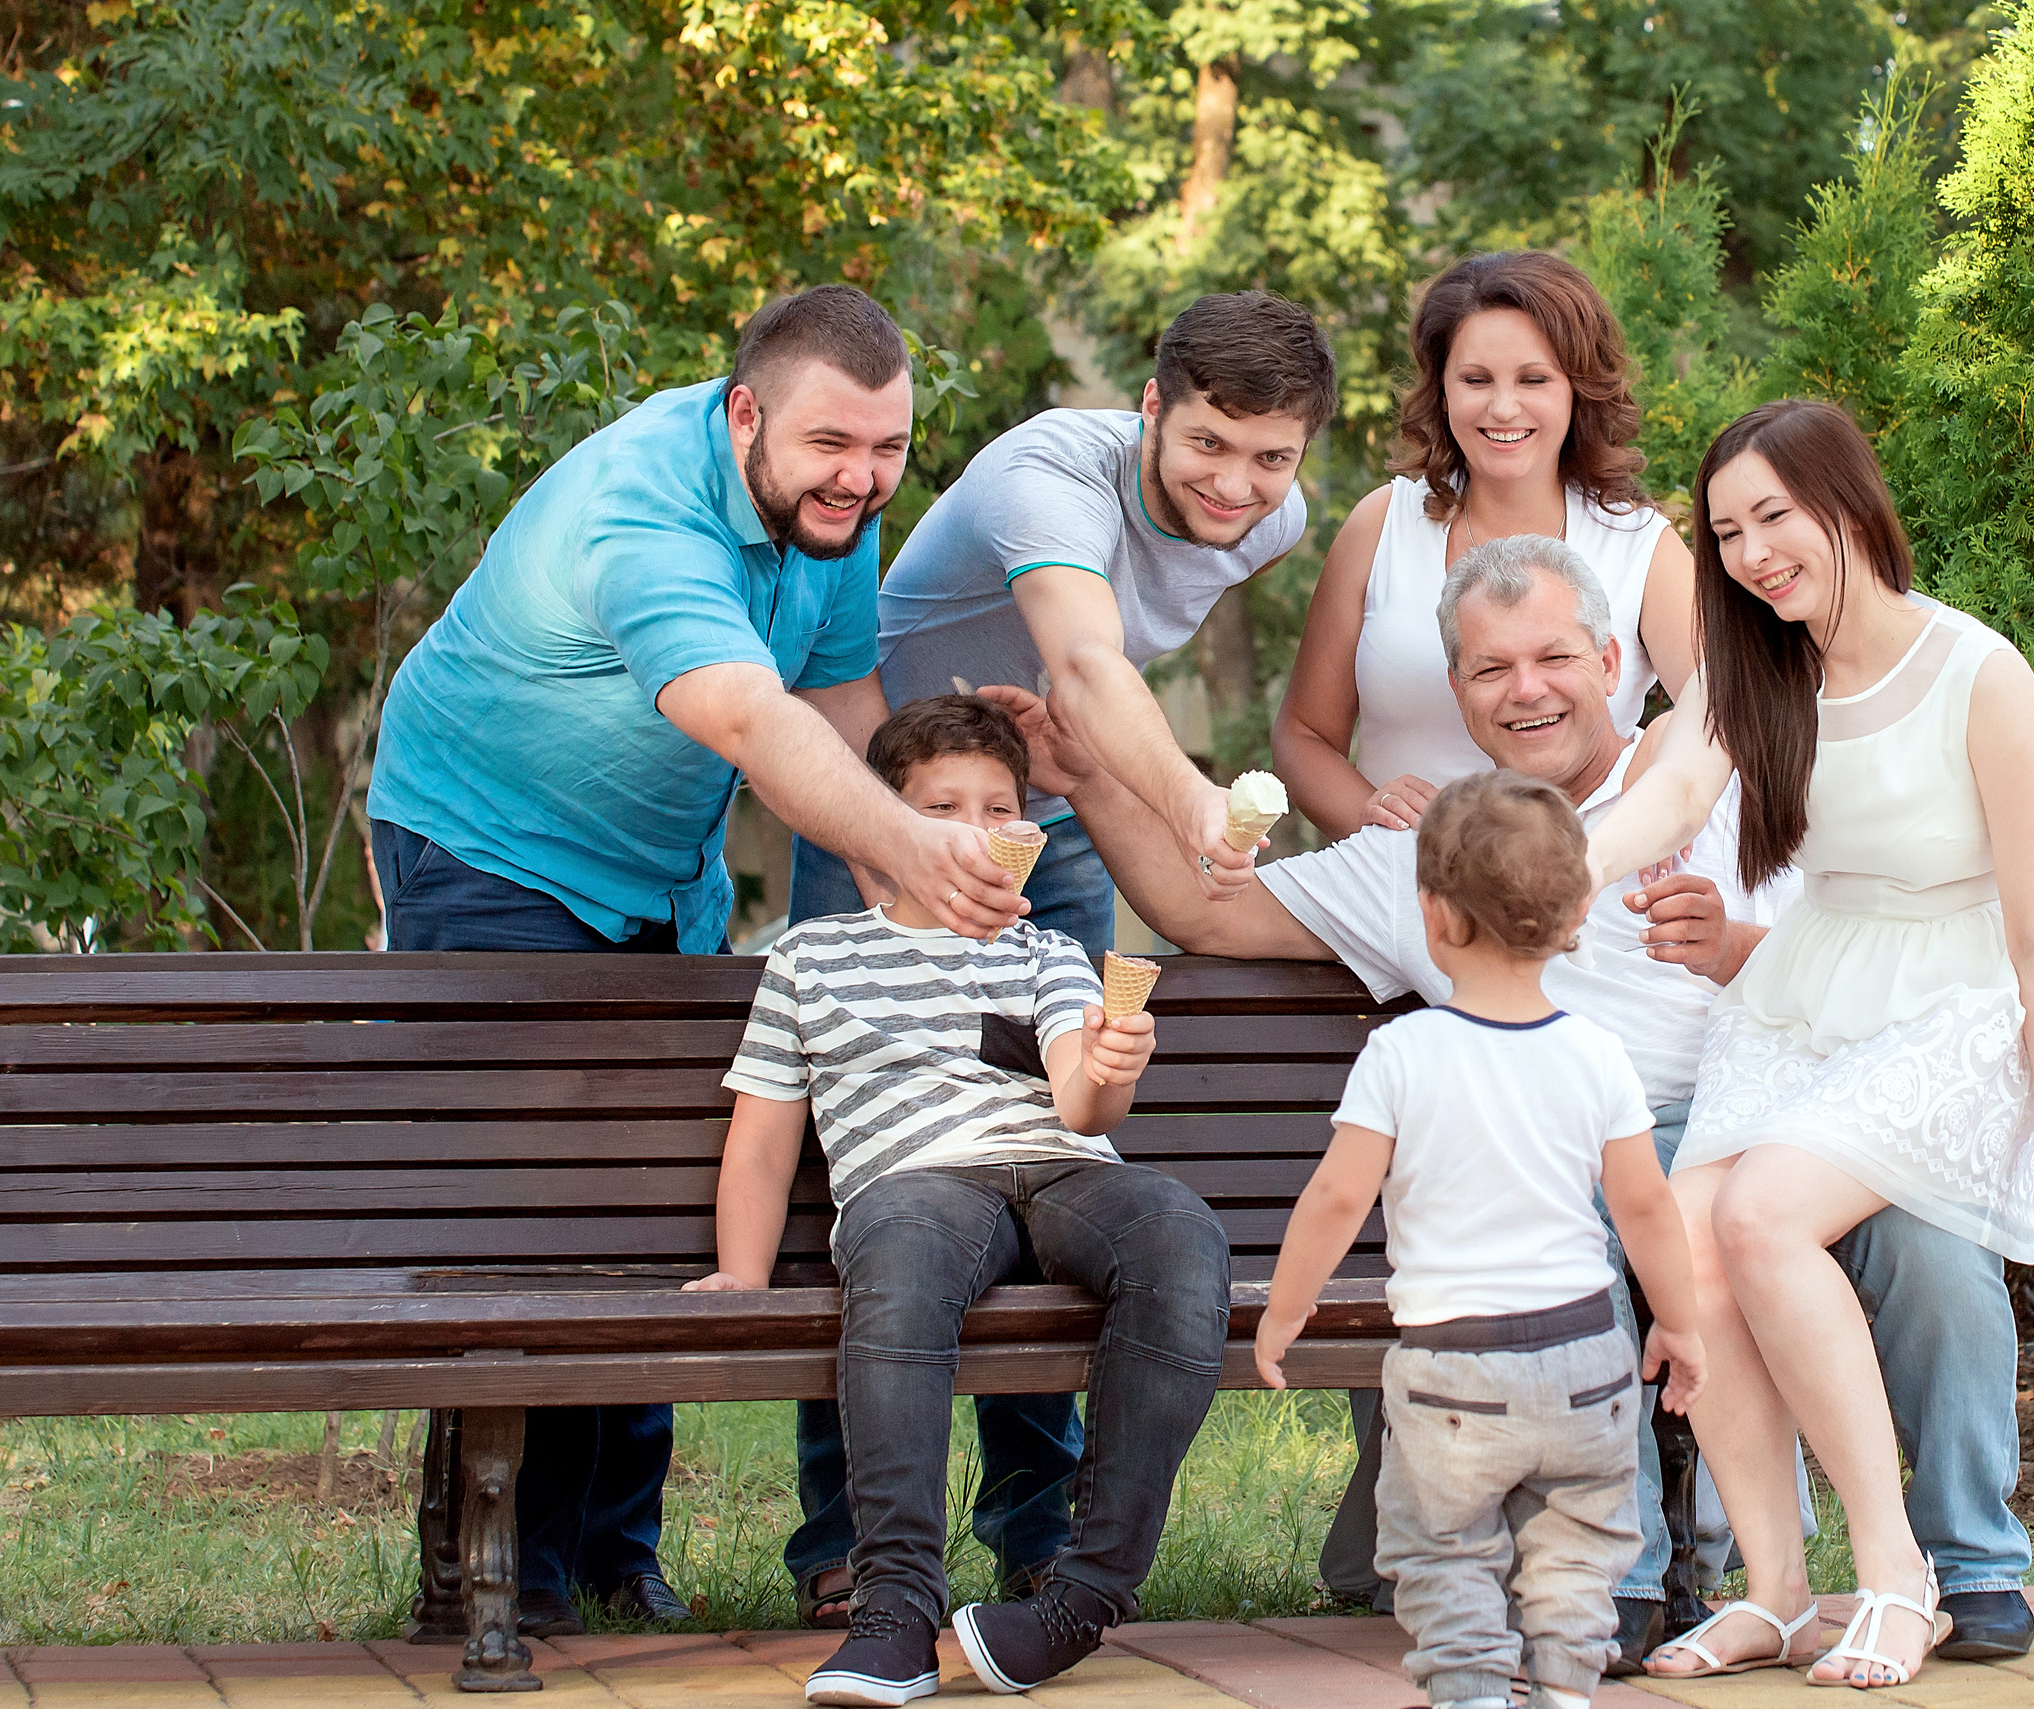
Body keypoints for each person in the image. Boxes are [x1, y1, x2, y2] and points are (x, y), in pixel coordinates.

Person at [994, 530, 2034, 1667]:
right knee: (1563, 1210)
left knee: (1932, 1241)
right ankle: (1616, 1579)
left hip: (1796, 1113)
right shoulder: (1440, 848)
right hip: (1603, 1148)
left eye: (1552, 657)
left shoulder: (1720, 771)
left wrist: (1735, 950)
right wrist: (1089, 778)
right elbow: (1203, 910)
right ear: (1457, 691)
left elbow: (1859, 943)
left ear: (1611, 661)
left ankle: (1970, 1563)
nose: (1526, 689)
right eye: (1491, 668)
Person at [367, 285, 1026, 1637]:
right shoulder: (641, 510)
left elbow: (839, 708)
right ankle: (498, 1570)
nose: (862, 477)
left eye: (889, 449)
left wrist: (923, 874)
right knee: (534, 1211)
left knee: (662, 1187)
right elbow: (746, 718)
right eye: (832, 445)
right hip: (489, 849)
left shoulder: (830, 506)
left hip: (663, 874)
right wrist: (917, 852)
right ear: (743, 415)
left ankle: (618, 1550)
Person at [776, 289, 1336, 1627]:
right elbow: (1084, 659)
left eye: (1272, 457)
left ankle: (1034, 1529)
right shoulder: (1048, 474)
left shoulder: (1276, 522)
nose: (1238, 484)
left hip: (1048, 822)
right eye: (1208, 444)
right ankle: (845, 1540)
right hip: (890, 806)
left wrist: (1090, 788)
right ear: (1149, 409)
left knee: (1046, 1149)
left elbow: (1095, 690)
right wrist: (1190, 801)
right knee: (871, 1164)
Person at [1582, 399, 2034, 1689]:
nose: (1752, 553)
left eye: (1773, 516)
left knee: (1760, 1213)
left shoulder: (1978, 672)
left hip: (1952, 1007)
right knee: (1684, 1228)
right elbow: (1670, 790)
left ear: (1846, 502)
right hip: (1808, 994)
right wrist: (1556, 873)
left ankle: (1898, 1576)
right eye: (1726, 533)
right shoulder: (1757, 670)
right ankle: (1776, 1590)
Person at [684, 695, 1230, 1704]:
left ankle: (1081, 1599)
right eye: (943, 808)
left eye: (999, 807)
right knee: (897, 1255)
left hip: (1064, 1168)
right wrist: (742, 1274)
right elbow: (762, 1138)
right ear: (882, 824)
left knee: (1181, 1235)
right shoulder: (813, 957)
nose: (977, 830)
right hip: (917, 1182)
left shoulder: (1044, 952)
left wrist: (1114, 1062)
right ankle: (895, 1609)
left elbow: (1081, 1100)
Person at [1256, 771, 1708, 1709]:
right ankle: (1566, 1686)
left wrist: (1287, 1307)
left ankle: (1469, 1689)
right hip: (1586, 1356)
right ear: (1576, 917)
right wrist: (1679, 1322)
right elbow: (1646, 1207)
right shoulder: (1597, 1054)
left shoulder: (1403, 1053)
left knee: (1444, 1549)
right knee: (1575, 1552)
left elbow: (1338, 1195)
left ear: (1434, 915)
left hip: (1453, 1367)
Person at [1272, 250, 1694, 839]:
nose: (1503, 407)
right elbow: (1303, 735)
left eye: (1533, 379)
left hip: (1582, 881)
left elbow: (1723, 724)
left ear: (1578, 390)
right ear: (1443, 392)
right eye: (1476, 380)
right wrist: (1373, 818)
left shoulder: (1641, 548)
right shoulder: (1382, 525)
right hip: (1400, 873)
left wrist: (1657, 768)